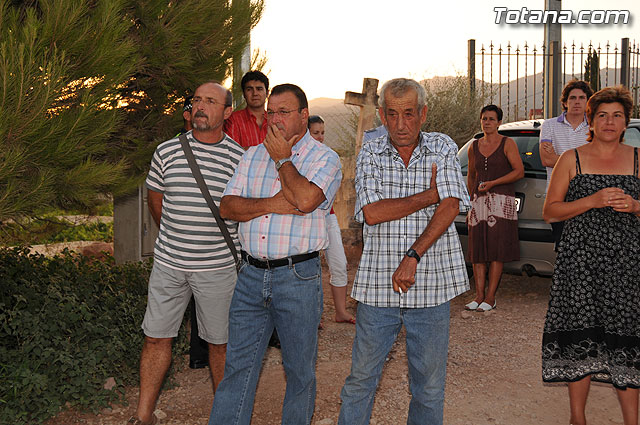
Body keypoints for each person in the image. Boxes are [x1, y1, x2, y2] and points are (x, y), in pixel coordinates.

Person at [338, 78, 471, 425]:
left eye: (409, 113)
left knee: (429, 388)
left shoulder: (442, 146)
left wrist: (413, 256)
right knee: (360, 382)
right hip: (377, 289)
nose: (400, 124)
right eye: (393, 114)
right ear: (382, 115)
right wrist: (430, 195)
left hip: (432, 287)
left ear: (423, 114)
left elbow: (451, 205)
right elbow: (372, 212)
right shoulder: (370, 152)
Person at [208, 84, 342, 425]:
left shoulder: (325, 158)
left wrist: (283, 159)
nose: (275, 119)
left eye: (284, 112)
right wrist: (274, 204)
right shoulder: (252, 155)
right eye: (271, 112)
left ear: (303, 115)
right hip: (250, 275)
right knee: (237, 368)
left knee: (299, 371)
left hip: (298, 277)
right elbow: (227, 207)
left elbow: (307, 200)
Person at [128, 81, 245, 425]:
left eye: (210, 101)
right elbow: (156, 201)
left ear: (227, 112)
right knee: (155, 337)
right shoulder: (166, 151)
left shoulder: (239, 158)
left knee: (220, 344)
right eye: (196, 100)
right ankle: (143, 416)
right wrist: (177, 238)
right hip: (169, 264)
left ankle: (225, 418)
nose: (200, 107)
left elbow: (242, 210)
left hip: (218, 268)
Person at [541, 86, 640, 425]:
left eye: (617, 116)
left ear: (626, 122)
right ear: (591, 121)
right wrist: (592, 201)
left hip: (627, 265)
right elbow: (550, 211)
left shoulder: (638, 158)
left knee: (626, 339)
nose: (610, 122)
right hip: (579, 264)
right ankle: (577, 418)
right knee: (579, 336)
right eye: (602, 115)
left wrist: (636, 206)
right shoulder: (572, 159)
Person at [464, 104, 524, 312]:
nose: (487, 122)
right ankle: (479, 295)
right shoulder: (473, 146)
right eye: (484, 119)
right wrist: (471, 202)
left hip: (501, 202)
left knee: (497, 250)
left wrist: (493, 183)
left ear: (499, 122)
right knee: (478, 249)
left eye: (491, 119)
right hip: (479, 202)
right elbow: (472, 175)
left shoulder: (508, 143)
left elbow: (519, 172)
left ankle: (491, 297)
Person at [308, 115, 355, 324]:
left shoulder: (329, 157)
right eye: (315, 133)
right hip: (306, 217)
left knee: (339, 262)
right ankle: (312, 316)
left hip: (328, 216)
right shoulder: (298, 157)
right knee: (309, 268)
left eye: (322, 133)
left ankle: (341, 312)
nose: (320, 137)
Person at [539, 80, 593, 246]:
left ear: (588, 101)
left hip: (588, 195)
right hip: (558, 196)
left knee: (588, 246)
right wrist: (582, 163)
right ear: (564, 102)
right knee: (563, 246)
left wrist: (560, 159)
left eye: (582, 98)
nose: (577, 102)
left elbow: (597, 162)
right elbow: (546, 159)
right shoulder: (549, 125)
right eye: (572, 98)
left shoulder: (594, 126)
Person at [223, 70, 269, 149]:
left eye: (259, 89)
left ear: (267, 93)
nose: (255, 93)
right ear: (244, 94)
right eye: (249, 89)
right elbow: (232, 151)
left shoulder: (274, 120)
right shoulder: (233, 120)